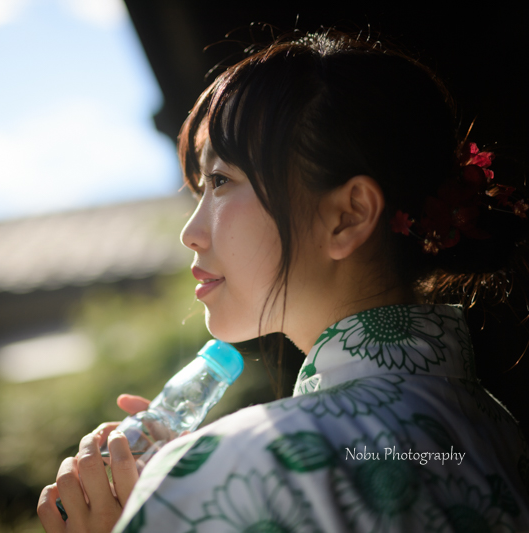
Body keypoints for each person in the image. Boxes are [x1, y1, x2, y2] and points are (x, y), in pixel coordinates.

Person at [37, 30, 529, 532]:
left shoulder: (246, 464)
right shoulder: (494, 427)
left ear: (348, 216)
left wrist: (172, 495)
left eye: (221, 181)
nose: (190, 233)